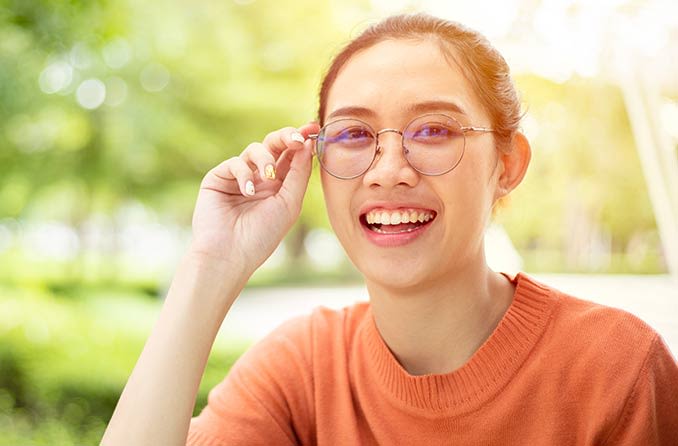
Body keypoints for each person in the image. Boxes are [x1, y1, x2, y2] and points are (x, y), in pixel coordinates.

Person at [101, 13, 678, 446]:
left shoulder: (615, 367)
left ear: (507, 164)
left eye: (432, 130)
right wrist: (210, 267)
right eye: (353, 135)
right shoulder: (302, 369)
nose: (389, 172)